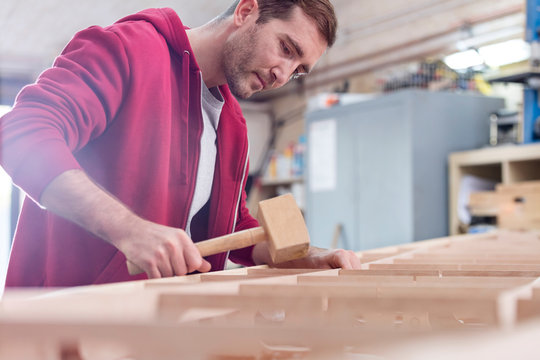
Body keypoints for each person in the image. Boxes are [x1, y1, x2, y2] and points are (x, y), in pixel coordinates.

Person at [0, 0, 361, 287]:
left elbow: (231, 227)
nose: (283, 74)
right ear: (246, 11)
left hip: (159, 333)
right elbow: (22, 132)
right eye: (286, 48)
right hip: (63, 328)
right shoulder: (127, 49)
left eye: (298, 69)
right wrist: (130, 231)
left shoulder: (232, 124)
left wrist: (301, 255)